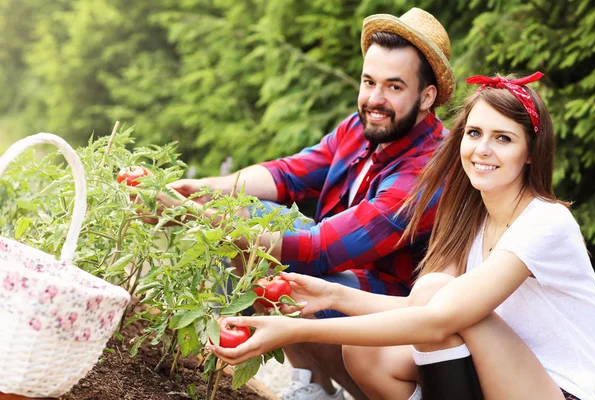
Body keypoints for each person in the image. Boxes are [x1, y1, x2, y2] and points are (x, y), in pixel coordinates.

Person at [207, 72, 595, 400]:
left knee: (447, 306)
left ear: (531, 151)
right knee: (373, 347)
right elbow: (422, 310)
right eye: (474, 133)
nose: (482, 149)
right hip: (499, 376)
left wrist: (294, 330)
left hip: (564, 391)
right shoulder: (469, 217)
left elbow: (436, 320)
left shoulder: (545, 222)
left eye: (503, 138)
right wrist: (332, 295)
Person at [154, 8, 455, 400]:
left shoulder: (428, 171)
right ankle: (312, 385)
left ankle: (359, 393)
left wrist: (203, 220)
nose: (375, 99)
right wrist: (202, 189)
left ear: (426, 96)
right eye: (369, 82)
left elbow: (317, 250)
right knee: (253, 218)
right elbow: (287, 174)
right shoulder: (361, 129)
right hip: (344, 282)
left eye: (394, 87)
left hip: (389, 314)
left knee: (274, 265)